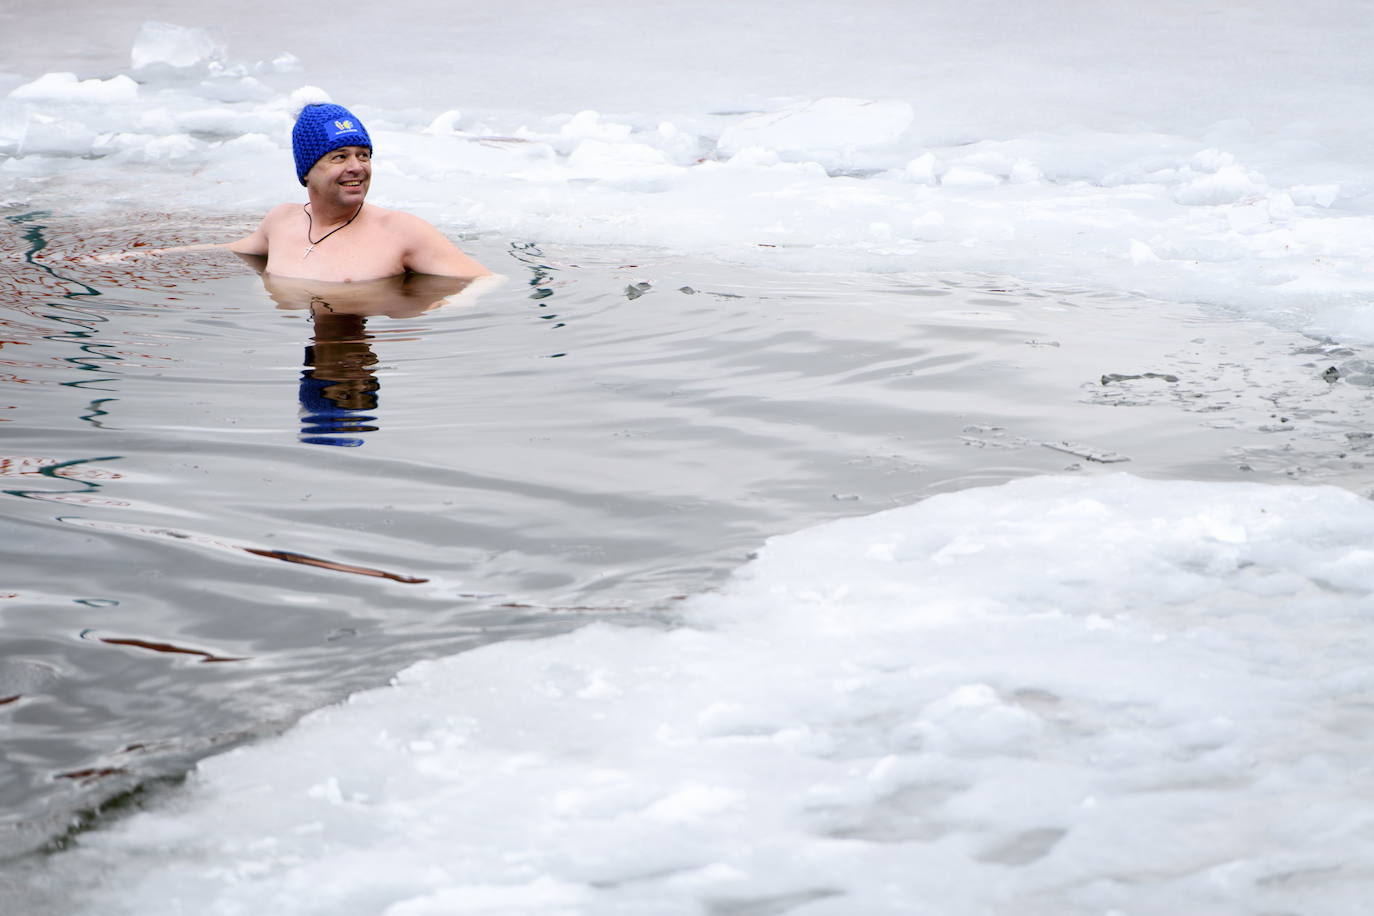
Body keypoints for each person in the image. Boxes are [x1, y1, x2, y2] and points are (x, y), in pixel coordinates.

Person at [229, 102, 491, 283]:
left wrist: (445, 309)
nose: (356, 168)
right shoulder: (282, 221)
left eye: (363, 156)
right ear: (307, 170)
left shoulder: (400, 230)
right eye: (340, 157)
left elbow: (483, 281)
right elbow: (233, 250)